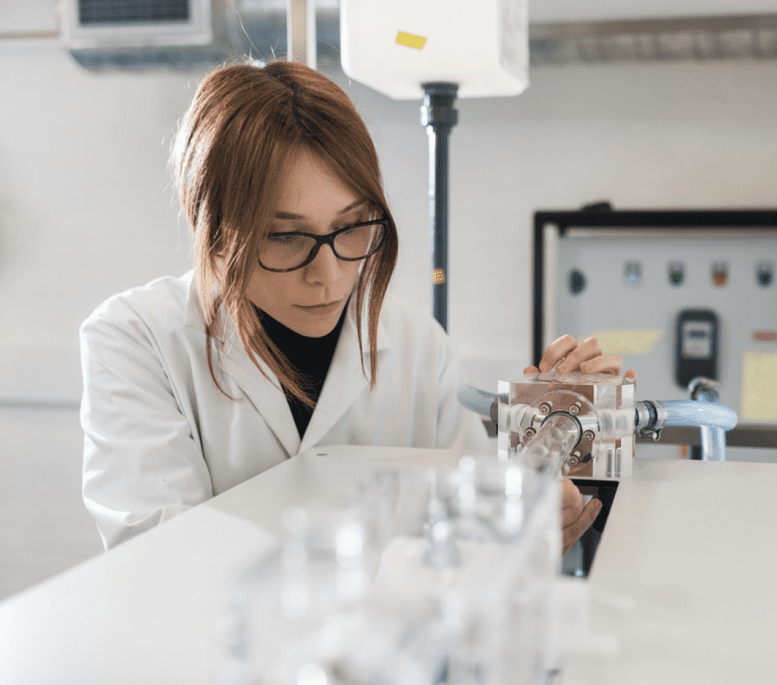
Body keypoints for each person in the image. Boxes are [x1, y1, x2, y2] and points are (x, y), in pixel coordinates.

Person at [80, 59, 628, 552]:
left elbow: (477, 528)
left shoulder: (420, 348)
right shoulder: (134, 340)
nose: (330, 275)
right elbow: (159, 553)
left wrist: (542, 488)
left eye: (350, 228)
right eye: (285, 237)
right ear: (216, 230)